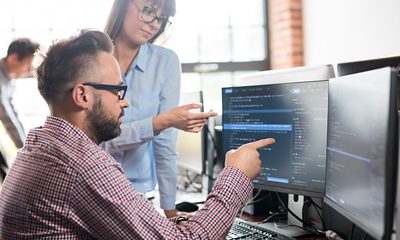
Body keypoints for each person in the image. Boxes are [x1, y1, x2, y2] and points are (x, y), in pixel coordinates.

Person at [0, 30, 275, 239]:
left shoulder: (39, 146)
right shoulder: (82, 164)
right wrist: (237, 174)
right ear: (82, 95)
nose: (126, 102)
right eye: (118, 91)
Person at [103, 0, 216, 218]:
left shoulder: (166, 62)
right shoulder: (93, 57)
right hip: (93, 190)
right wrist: (161, 121)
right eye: (149, 11)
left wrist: (170, 211)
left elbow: (165, 142)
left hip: (138, 195)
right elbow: (93, 142)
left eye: (162, 18)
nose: (155, 24)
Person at [0, 38, 39, 149]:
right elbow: (7, 117)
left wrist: (25, 142)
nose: (30, 71)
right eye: (28, 66)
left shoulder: (9, 78)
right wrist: (25, 149)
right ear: (14, 58)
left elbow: (12, 113)